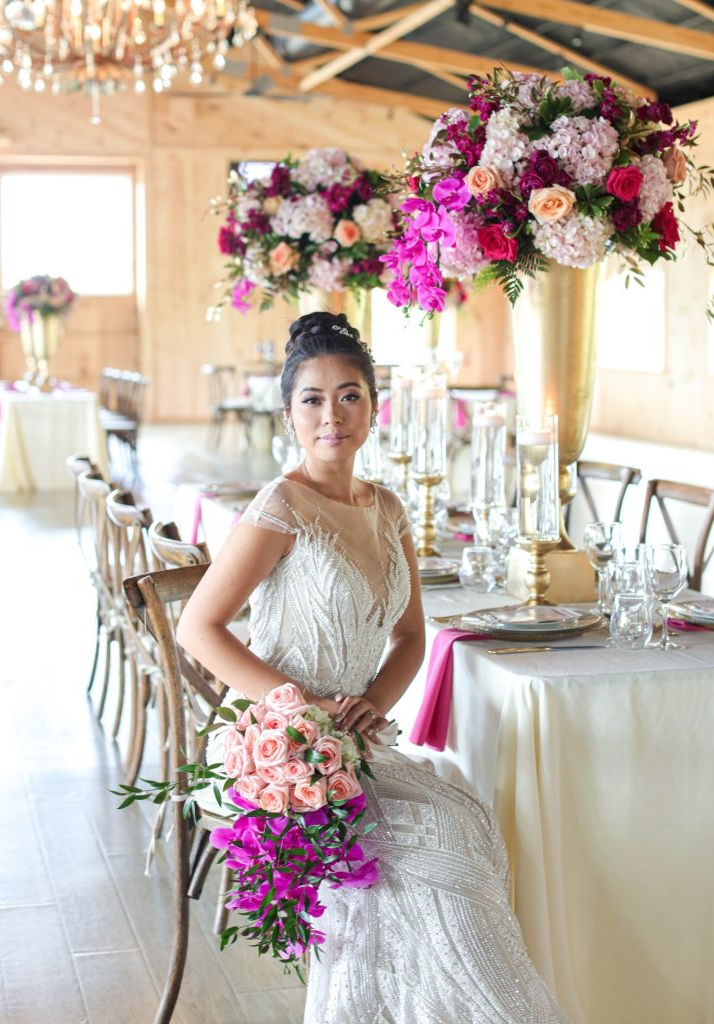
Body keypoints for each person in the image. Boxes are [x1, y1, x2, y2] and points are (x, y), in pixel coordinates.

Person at [177, 311, 569, 1024]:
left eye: (350, 394)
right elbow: (197, 627)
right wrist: (304, 706)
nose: (334, 415)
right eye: (314, 399)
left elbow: (413, 635)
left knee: (466, 815)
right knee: (438, 845)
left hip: (354, 740)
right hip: (279, 744)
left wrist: (371, 705)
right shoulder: (279, 508)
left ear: (373, 405)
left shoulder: (387, 508)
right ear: (289, 413)